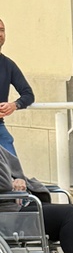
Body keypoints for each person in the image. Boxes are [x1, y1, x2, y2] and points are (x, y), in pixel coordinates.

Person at [0, 19, 33, 160]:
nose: (0, 34)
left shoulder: (8, 65)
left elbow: (28, 94)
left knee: (16, 175)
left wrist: (14, 105)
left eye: (2, 30)